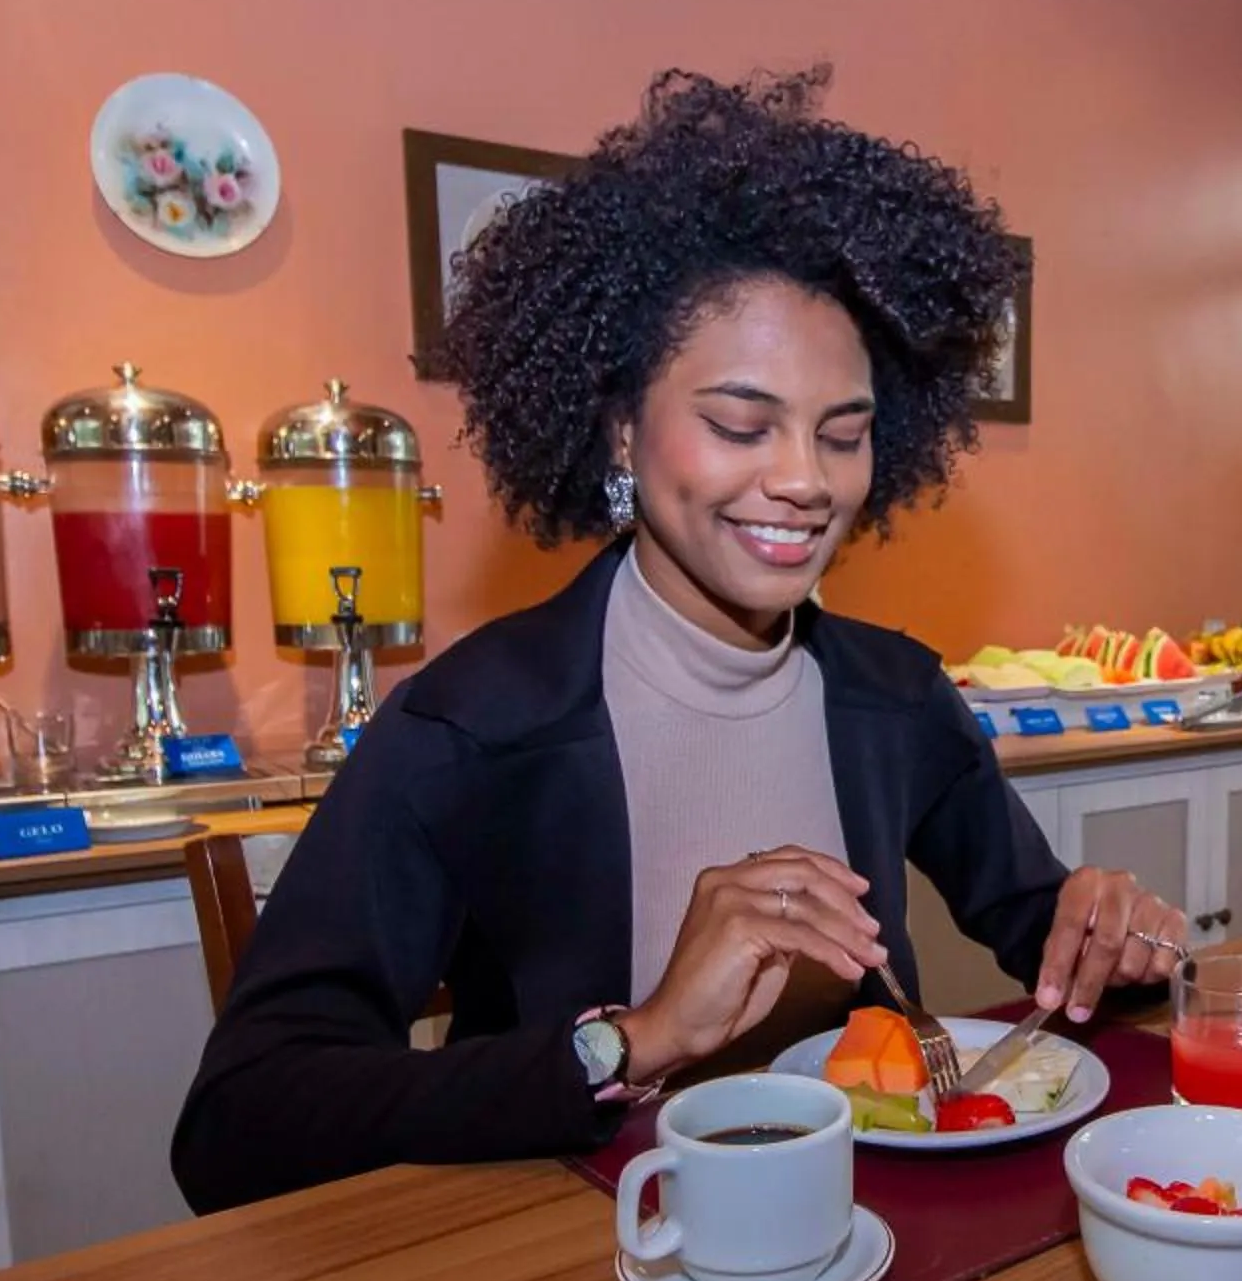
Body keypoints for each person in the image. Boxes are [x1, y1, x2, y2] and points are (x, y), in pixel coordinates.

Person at [173, 69, 1188, 1213]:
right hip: (580, 1259)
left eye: (842, 435)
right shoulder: (474, 722)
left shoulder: (897, 698)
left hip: (862, 1238)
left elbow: (1048, 940)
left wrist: (1116, 939)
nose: (804, 480)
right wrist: (636, 1037)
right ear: (620, 426)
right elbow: (239, 1123)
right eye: (740, 424)